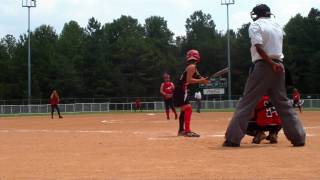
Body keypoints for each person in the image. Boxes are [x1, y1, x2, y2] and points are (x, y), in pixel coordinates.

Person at [223, 4, 305, 147]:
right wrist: (275, 64)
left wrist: (270, 63)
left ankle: (232, 138)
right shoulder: (278, 26)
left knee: (247, 102)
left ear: (257, 14)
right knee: (283, 103)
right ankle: (298, 137)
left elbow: (258, 47)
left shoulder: (255, 25)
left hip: (264, 65)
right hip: (279, 65)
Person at [173, 49, 209, 137]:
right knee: (188, 108)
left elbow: (199, 77)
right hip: (181, 89)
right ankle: (187, 131)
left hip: (181, 89)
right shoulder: (192, 67)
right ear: (197, 57)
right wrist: (201, 80)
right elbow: (189, 80)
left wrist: (204, 80)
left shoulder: (192, 67)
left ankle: (181, 131)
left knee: (184, 110)